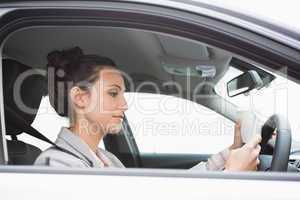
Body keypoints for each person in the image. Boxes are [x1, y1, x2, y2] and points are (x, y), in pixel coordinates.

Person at [34, 47, 261, 171]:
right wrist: (231, 177)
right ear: (81, 98)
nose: (124, 104)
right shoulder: (56, 165)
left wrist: (230, 152)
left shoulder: (107, 159)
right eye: (113, 93)